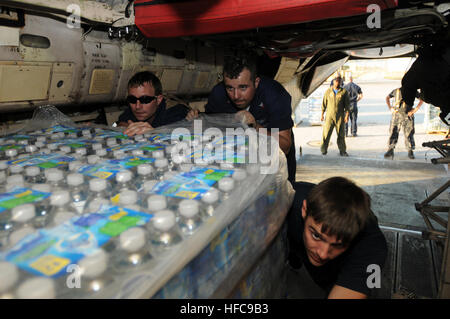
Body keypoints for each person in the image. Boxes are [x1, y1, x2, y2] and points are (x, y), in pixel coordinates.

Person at [186, 54, 296, 184]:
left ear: (256, 82)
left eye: (243, 87)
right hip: (238, 165)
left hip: (275, 166)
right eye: (230, 88)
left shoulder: (274, 94)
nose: (236, 96)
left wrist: (255, 127)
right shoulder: (219, 94)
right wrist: (198, 122)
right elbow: (212, 130)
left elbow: (285, 146)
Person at [286, 177, 387, 299]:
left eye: (338, 245)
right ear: (304, 209)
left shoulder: (371, 248)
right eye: (316, 236)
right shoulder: (288, 199)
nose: (322, 254)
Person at [116, 71, 190, 136]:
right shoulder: (134, 107)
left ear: (158, 100)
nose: (138, 106)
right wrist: (127, 127)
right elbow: (121, 123)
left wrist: (155, 133)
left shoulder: (176, 113)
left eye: (145, 99)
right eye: (132, 99)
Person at [384, 87, 424, 160]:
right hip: (396, 114)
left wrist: (414, 110)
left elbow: (422, 99)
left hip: (408, 114)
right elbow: (387, 98)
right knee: (393, 132)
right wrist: (390, 108)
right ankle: (390, 149)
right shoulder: (396, 91)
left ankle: (410, 150)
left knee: (409, 133)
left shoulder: (413, 91)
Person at [320, 76, 350, 156]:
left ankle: (342, 151)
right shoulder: (328, 91)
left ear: (340, 82)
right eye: (336, 81)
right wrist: (322, 114)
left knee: (341, 134)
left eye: (339, 81)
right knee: (326, 133)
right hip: (329, 116)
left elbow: (347, 106)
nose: (337, 83)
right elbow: (324, 103)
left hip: (340, 116)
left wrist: (346, 116)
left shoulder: (344, 92)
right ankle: (323, 150)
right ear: (333, 82)